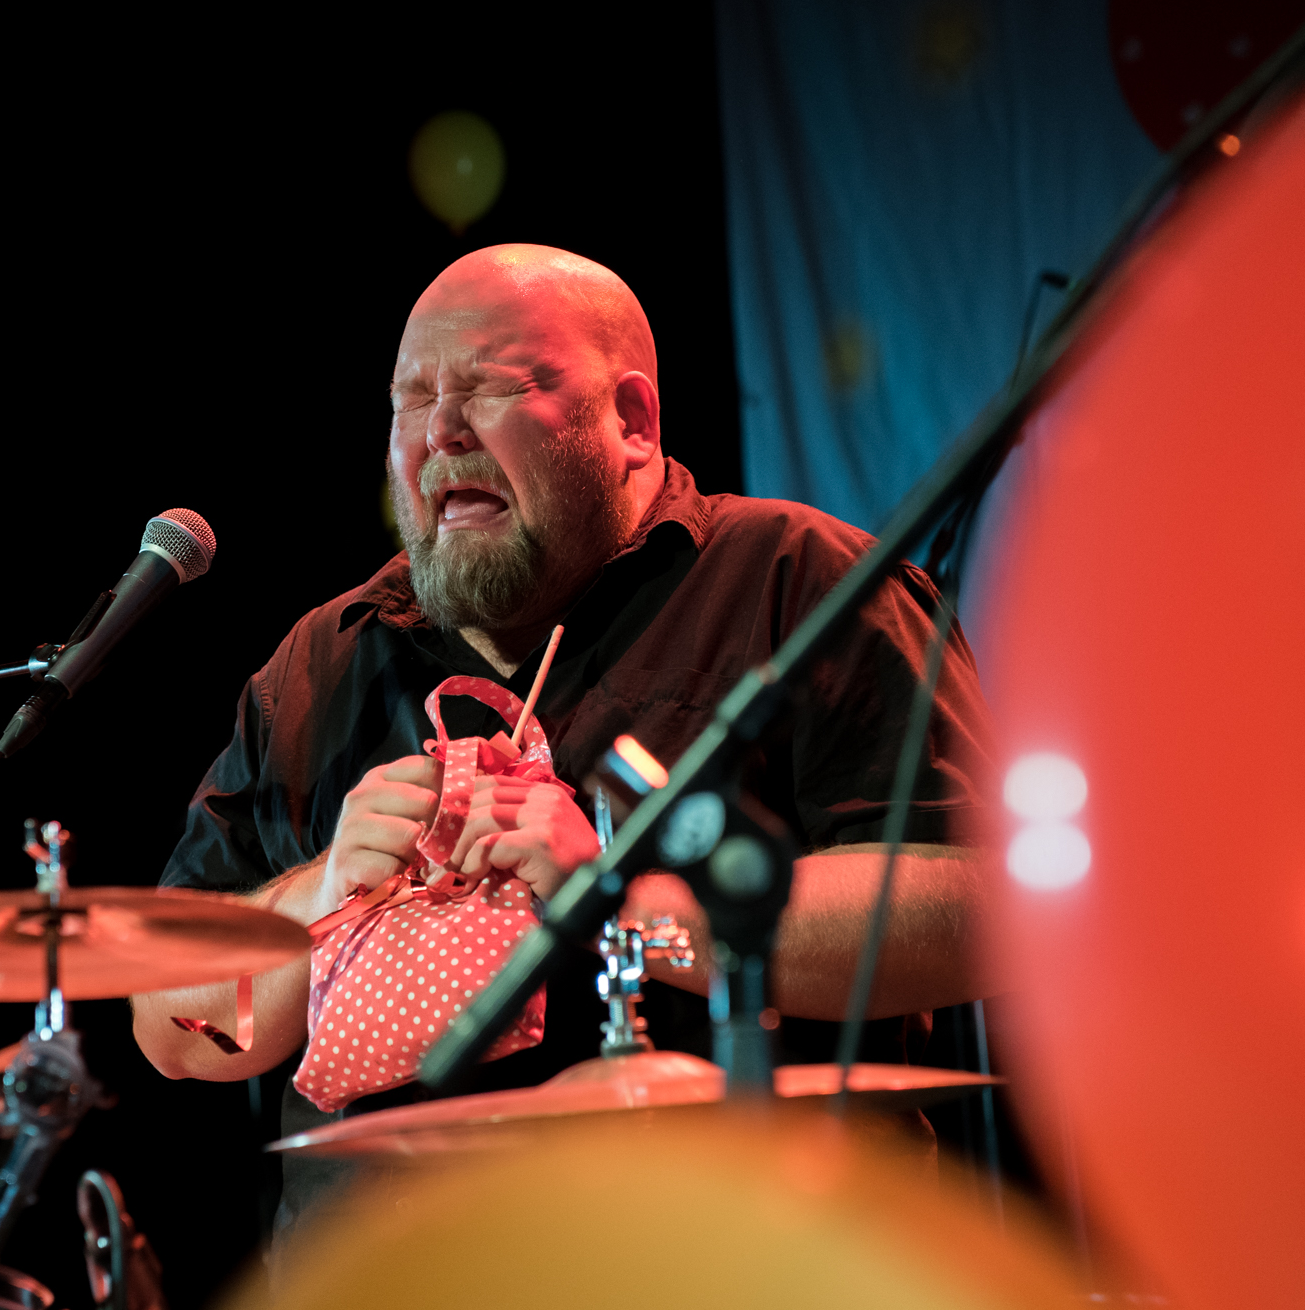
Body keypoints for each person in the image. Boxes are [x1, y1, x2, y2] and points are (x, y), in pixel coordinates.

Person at [130, 244, 997, 1246]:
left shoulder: (800, 584)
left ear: (629, 420)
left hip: (732, 1257)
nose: (441, 431)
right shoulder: (320, 662)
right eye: (413, 398)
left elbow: (980, 907)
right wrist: (317, 894)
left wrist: (628, 903)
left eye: (491, 387)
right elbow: (169, 1029)